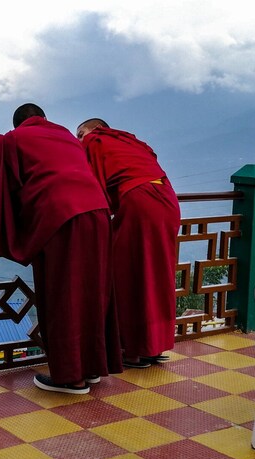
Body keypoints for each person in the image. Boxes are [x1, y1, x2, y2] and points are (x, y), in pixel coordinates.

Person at [0, 103, 123, 393]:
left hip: (62, 216)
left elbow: (6, 184)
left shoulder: (14, 139)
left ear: (17, 125)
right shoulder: (66, 135)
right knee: (93, 291)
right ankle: (93, 368)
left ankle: (71, 377)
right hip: (98, 212)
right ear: (44, 119)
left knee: (62, 295)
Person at [76, 118, 182, 368]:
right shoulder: (131, 141)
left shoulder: (95, 140)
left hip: (139, 202)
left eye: (80, 134)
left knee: (128, 275)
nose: (79, 140)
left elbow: (94, 185)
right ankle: (153, 345)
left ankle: (133, 350)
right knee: (157, 275)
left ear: (95, 130)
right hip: (167, 200)